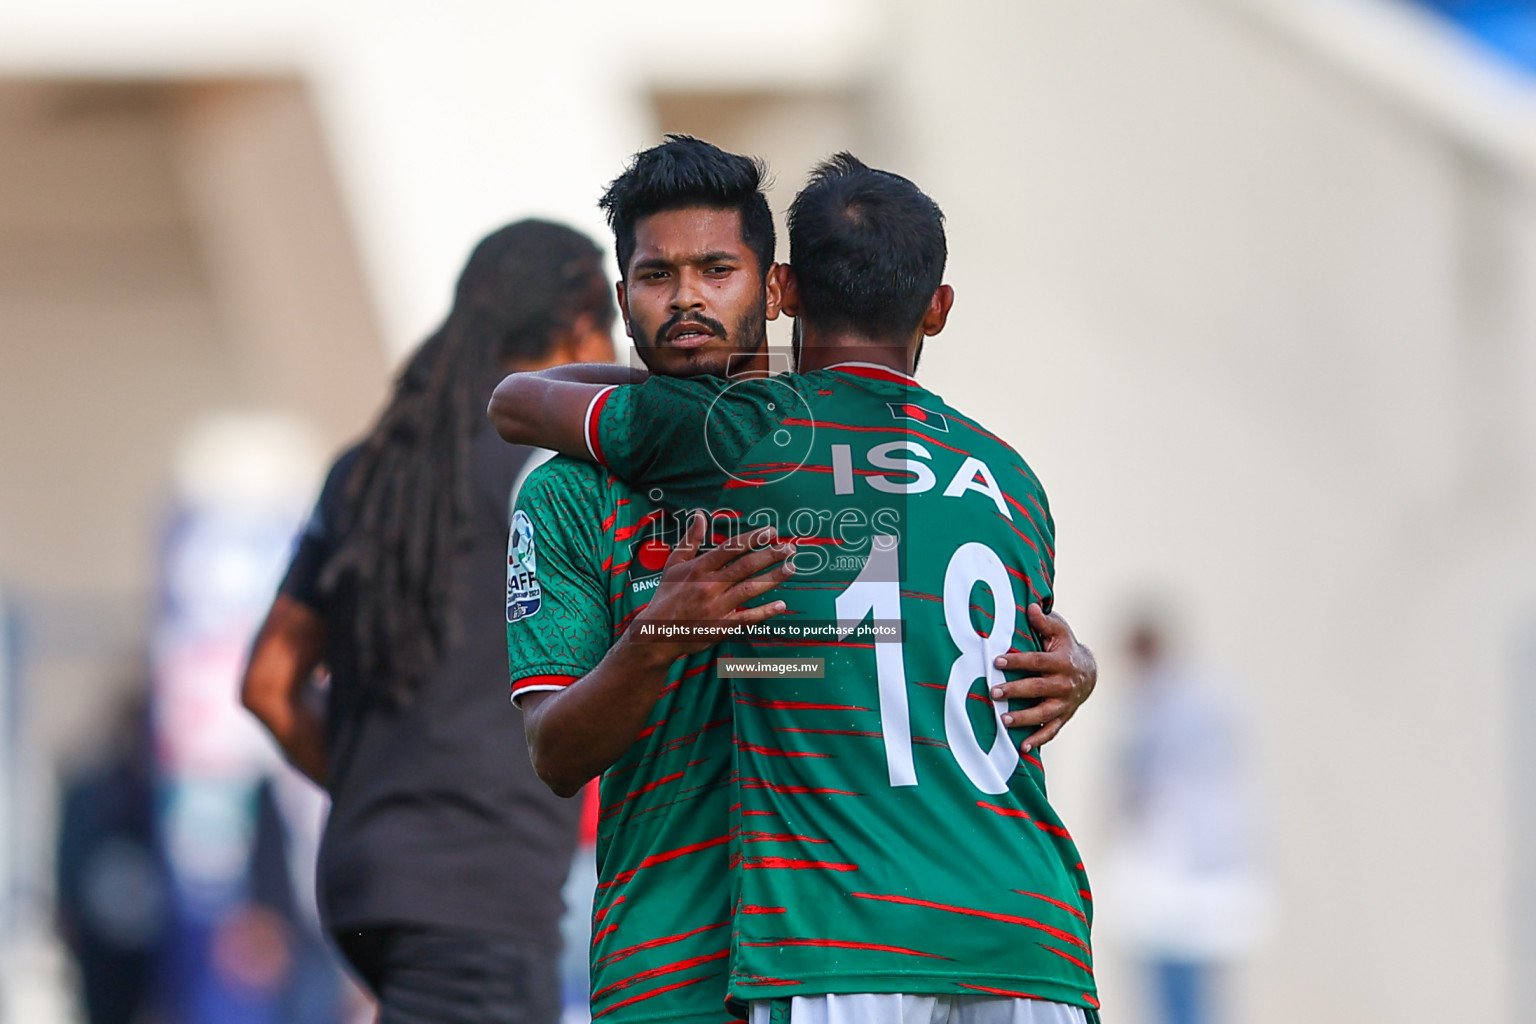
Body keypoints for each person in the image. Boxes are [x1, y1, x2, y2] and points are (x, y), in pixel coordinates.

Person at [492, 139, 1100, 1024]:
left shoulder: (804, 447)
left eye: (717, 269)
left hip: (833, 952)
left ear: (773, 286)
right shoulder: (568, 491)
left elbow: (947, 651)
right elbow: (556, 753)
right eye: (658, 275)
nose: (689, 296)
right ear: (623, 298)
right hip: (674, 972)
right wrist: (662, 636)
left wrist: (1073, 666)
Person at [241, 219, 615, 1024]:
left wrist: (390, 800)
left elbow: (270, 685)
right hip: (479, 890)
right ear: (579, 327)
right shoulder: (556, 476)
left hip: (364, 876)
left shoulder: (369, 470)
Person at [1103, 612, 1270, 1024]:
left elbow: (1142, 791)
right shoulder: (1207, 698)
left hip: (1177, 873)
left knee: (1181, 997)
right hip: (1188, 871)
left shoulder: (1162, 708)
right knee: (1188, 995)